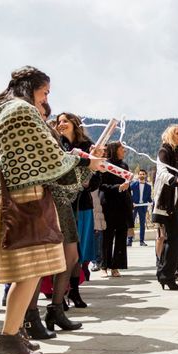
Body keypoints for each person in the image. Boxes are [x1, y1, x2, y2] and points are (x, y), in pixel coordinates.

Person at [0, 66, 103, 354]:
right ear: (31, 87)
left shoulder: (4, 111)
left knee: (30, 273)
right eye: (45, 92)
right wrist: (84, 163)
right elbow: (51, 159)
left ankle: (11, 336)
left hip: (15, 199)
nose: (47, 97)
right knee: (29, 272)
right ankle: (9, 338)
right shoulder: (21, 110)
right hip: (26, 200)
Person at [56, 112, 102, 309]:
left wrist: (88, 182)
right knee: (62, 250)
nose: (61, 124)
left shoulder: (87, 146)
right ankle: (59, 295)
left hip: (82, 204)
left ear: (75, 124)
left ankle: (74, 291)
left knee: (76, 252)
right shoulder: (56, 144)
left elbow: (97, 174)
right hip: (60, 204)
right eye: (58, 122)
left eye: (65, 121)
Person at [152, 125, 178, 290]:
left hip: (177, 202)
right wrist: (177, 180)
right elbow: (162, 172)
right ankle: (166, 275)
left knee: (175, 238)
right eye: (176, 133)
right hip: (166, 202)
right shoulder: (165, 151)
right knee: (173, 238)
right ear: (170, 135)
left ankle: (165, 274)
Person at [100, 142, 133, 277]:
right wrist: (117, 188)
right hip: (108, 204)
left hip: (123, 204)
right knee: (107, 236)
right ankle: (104, 266)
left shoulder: (124, 166)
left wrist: (130, 201)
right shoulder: (105, 165)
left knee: (121, 236)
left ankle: (115, 266)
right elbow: (101, 186)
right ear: (114, 150)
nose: (124, 150)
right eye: (121, 148)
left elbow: (128, 185)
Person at [129, 169, 153, 246]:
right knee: (131, 223)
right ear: (138, 175)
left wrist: (152, 202)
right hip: (134, 206)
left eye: (143, 174)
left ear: (145, 175)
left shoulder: (148, 187)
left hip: (143, 207)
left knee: (142, 224)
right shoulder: (133, 184)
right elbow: (128, 193)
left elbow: (149, 197)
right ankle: (129, 240)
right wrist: (131, 202)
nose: (142, 175)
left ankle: (141, 241)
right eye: (140, 174)